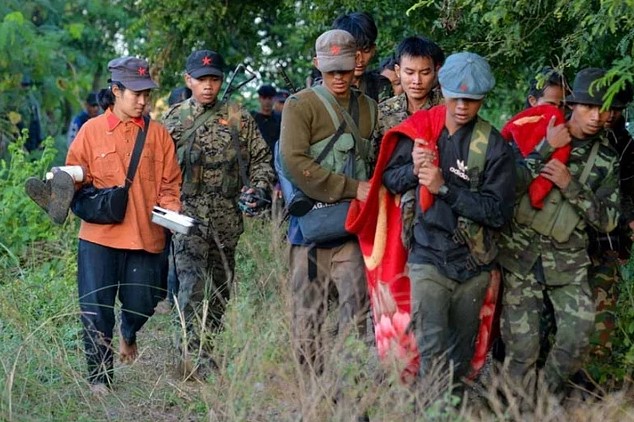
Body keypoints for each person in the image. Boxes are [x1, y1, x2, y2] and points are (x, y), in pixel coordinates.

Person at [380, 52, 515, 383]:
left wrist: (445, 189)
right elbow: (388, 179)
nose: (462, 106)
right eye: (456, 96)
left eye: (472, 99)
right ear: (443, 88)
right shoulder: (420, 130)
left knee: (460, 356)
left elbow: (497, 213)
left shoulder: (494, 146)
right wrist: (413, 168)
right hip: (427, 256)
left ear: (482, 99)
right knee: (431, 351)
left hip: (473, 265)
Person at [497, 67, 620, 397]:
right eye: (589, 107)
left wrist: (571, 186)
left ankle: (543, 399)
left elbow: (608, 220)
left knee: (578, 334)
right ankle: (517, 411)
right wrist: (544, 151)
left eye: (604, 108)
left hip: (566, 261)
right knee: (521, 349)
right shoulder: (537, 130)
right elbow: (505, 187)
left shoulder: (606, 160)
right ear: (572, 105)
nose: (597, 116)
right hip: (519, 255)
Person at [65, 57, 182, 393]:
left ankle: (128, 331)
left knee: (143, 303)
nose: (143, 100)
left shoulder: (158, 135)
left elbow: (170, 185)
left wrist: (172, 213)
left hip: (146, 237)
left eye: (147, 93)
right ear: (116, 91)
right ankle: (99, 378)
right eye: (136, 93)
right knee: (95, 309)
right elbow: (76, 174)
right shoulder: (90, 131)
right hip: (99, 237)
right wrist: (62, 184)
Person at [162, 49, 274, 377]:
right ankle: (190, 356)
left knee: (221, 290)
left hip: (226, 219)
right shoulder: (174, 119)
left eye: (214, 80)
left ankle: (208, 348)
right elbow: (157, 167)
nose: (208, 86)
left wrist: (260, 188)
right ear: (188, 81)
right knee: (191, 285)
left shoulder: (239, 117)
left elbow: (262, 160)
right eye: (201, 80)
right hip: (187, 216)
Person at [279, 29, 378, 373]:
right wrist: (352, 187)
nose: (338, 77)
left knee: (356, 310)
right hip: (310, 232)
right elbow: (294, 161)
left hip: (350, 230)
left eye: (345, 69)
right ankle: (312, 387)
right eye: (330, 69)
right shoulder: (300, 105)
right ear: (317, 64)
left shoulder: (369, 108)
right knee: (308, 316)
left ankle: (348, 385)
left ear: (358, 63)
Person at [375, 36, 445, 151]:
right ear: (398, 71)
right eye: (410, 72)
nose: (417, 81)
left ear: (435, 72)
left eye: (425, 73)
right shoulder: (383, 112)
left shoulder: (446, 108)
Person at [332, 11, 393, 103]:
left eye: (366, 50)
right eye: (353, 51)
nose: (360, 60)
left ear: (373, 50)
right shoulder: (324, 87)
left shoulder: (379, 85)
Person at [251, 84, 281, 155]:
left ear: (274, 99)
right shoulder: (252, 118)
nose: (267, 101)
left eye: (270, 98)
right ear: (259, 98)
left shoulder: (280, 118)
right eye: (264, 98)